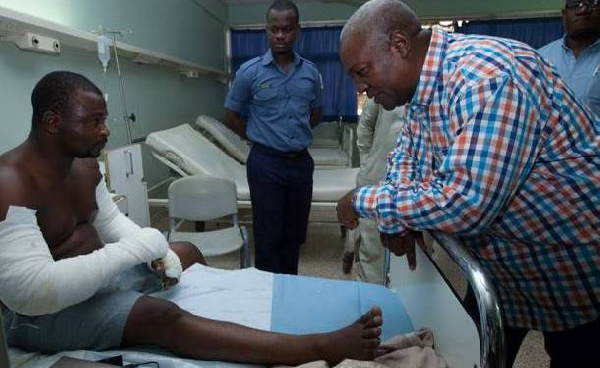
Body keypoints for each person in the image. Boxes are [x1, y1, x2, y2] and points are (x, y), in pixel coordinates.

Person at [0, 71, 384, 365]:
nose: (104, 131)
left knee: (185, 250)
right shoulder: (11, 183)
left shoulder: (84, 167)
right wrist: (140, 248)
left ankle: (194, 322)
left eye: (105, 119)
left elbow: (111, 223)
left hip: (94, 282)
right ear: (52, 123)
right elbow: (34, 291)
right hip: (41, 314)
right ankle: (315, 346)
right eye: (93, 121)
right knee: (159, 316)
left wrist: (158, 252)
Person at [336, 1, 600, 367]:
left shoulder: (489, 76)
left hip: (572, 266)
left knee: (575, 353)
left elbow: (465, 201)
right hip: (502, 269)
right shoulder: (421, 91)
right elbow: (406, 159)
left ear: (399, 45)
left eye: (361, 72)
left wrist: (364, 201)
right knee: (470, 352)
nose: (360, 87)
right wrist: (397, 219)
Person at [223, 0, 323, 275]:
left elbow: (315, 115)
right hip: (265, 164)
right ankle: (264, 300)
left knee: (294, 234)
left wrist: (293, 136)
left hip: (301, 164)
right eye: (274, 29)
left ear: (297, 31)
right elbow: (230, 116)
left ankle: (289, 291)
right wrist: (258, 137)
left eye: (287, 29)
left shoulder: (311, 72)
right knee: (267, 237)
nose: (280, 36)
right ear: (266, 31)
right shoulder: (249, 72)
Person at [351, 97, 406, 284]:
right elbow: (365, 126)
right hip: (377, 179)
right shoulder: (384, 84)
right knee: (373, 253)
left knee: (414, 260)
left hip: (418, 193)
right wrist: (368, 163)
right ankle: (370, 304)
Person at [538, 0, 600, 118]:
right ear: (564, 14)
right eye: (575, 4)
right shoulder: (540, 58)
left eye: (593, 3)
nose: (583, 10)